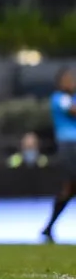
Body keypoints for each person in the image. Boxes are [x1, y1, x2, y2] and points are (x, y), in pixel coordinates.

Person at [42, 68, 76, 242]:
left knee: (70, 189)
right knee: (69, 187)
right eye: (68, 79)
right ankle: (49, 226)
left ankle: (48, 227)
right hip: (69, 146)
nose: (71, 82)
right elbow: (72, 111)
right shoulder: (59, 98)